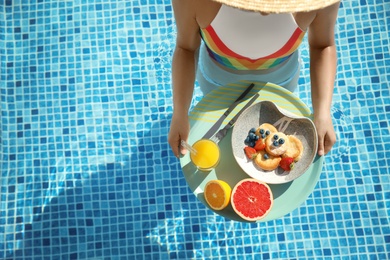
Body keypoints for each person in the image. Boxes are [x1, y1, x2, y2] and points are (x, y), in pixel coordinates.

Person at [168, 0, 339, 158]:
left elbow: (323, 45)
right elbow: (186, 48)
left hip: (281, 85)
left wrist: (323, 112)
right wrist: (180, 112)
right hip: (217, 85)